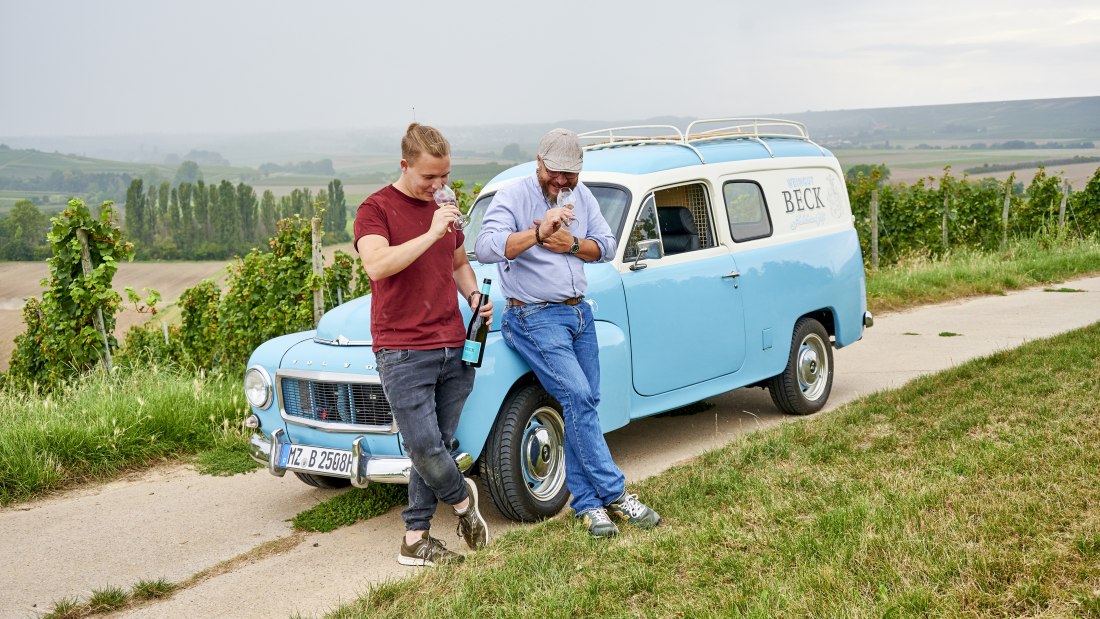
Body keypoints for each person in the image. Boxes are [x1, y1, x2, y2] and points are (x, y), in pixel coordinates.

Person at [474, 128, 660, 537]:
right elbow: (487, 246)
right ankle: (616, 494)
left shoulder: (583, 195)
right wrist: (539, 234)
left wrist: (571, 244)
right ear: (539, 162)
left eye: (569, 176)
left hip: (579, 315)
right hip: (533, 316)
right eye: (554, 173)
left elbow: (607, 246)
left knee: (585, 403)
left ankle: (588, 506)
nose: (561, 182)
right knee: (576, 396)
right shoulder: (512, 195)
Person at [354, 123, 492, 565]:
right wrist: (431, 231)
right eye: (428, 177)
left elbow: (457, 261)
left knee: (439, 444)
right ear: (404, 165)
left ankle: (415, 540)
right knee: (424, 448)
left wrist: (472, 296)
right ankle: (464, 504)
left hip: (454, 342)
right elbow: (376, 266)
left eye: (444, 176)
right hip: (403, 349)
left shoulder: (445, 208)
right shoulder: (375, 209)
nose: (438, 186)